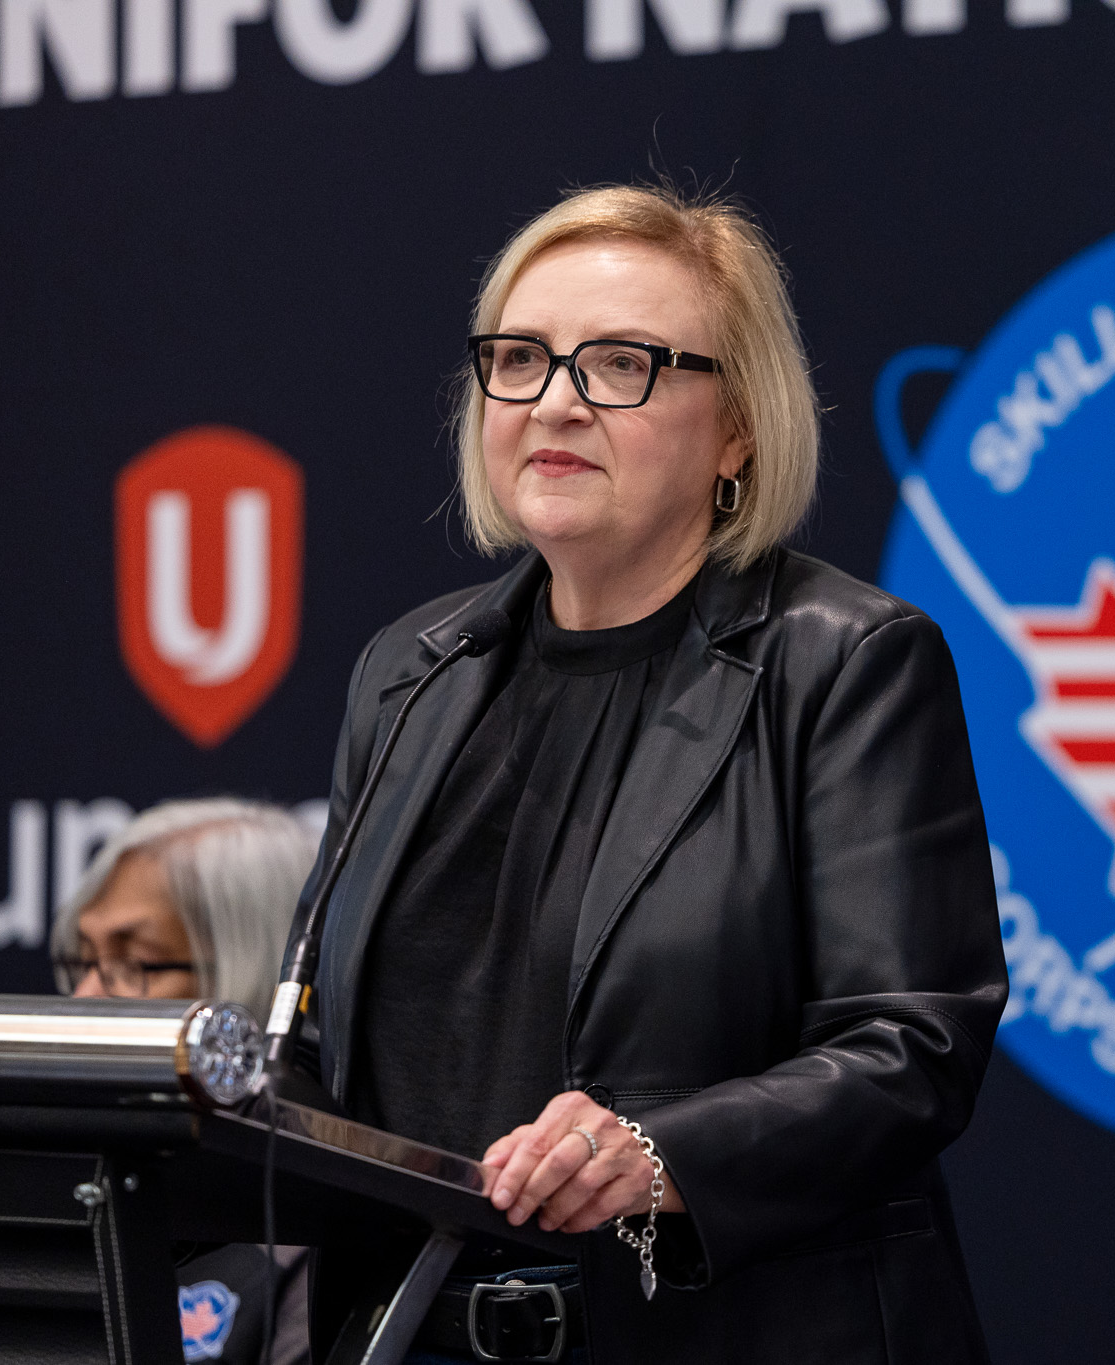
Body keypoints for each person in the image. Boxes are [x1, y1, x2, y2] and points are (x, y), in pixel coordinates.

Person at [294, 182, 1007, 1363]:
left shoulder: (845, 663)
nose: (554, 402)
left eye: (620, 364)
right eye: (518, 358)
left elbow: (910, 1045)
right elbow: (322, 1042)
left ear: (737, 429)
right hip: (411, 1333)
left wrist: (660, 1153)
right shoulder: (409, 673)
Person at [50, 797, 319, 1365]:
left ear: (262, 969)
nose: (83, 999)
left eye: (136, 963)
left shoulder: (321, 1252)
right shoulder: (62, 1201)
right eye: (83, 961)